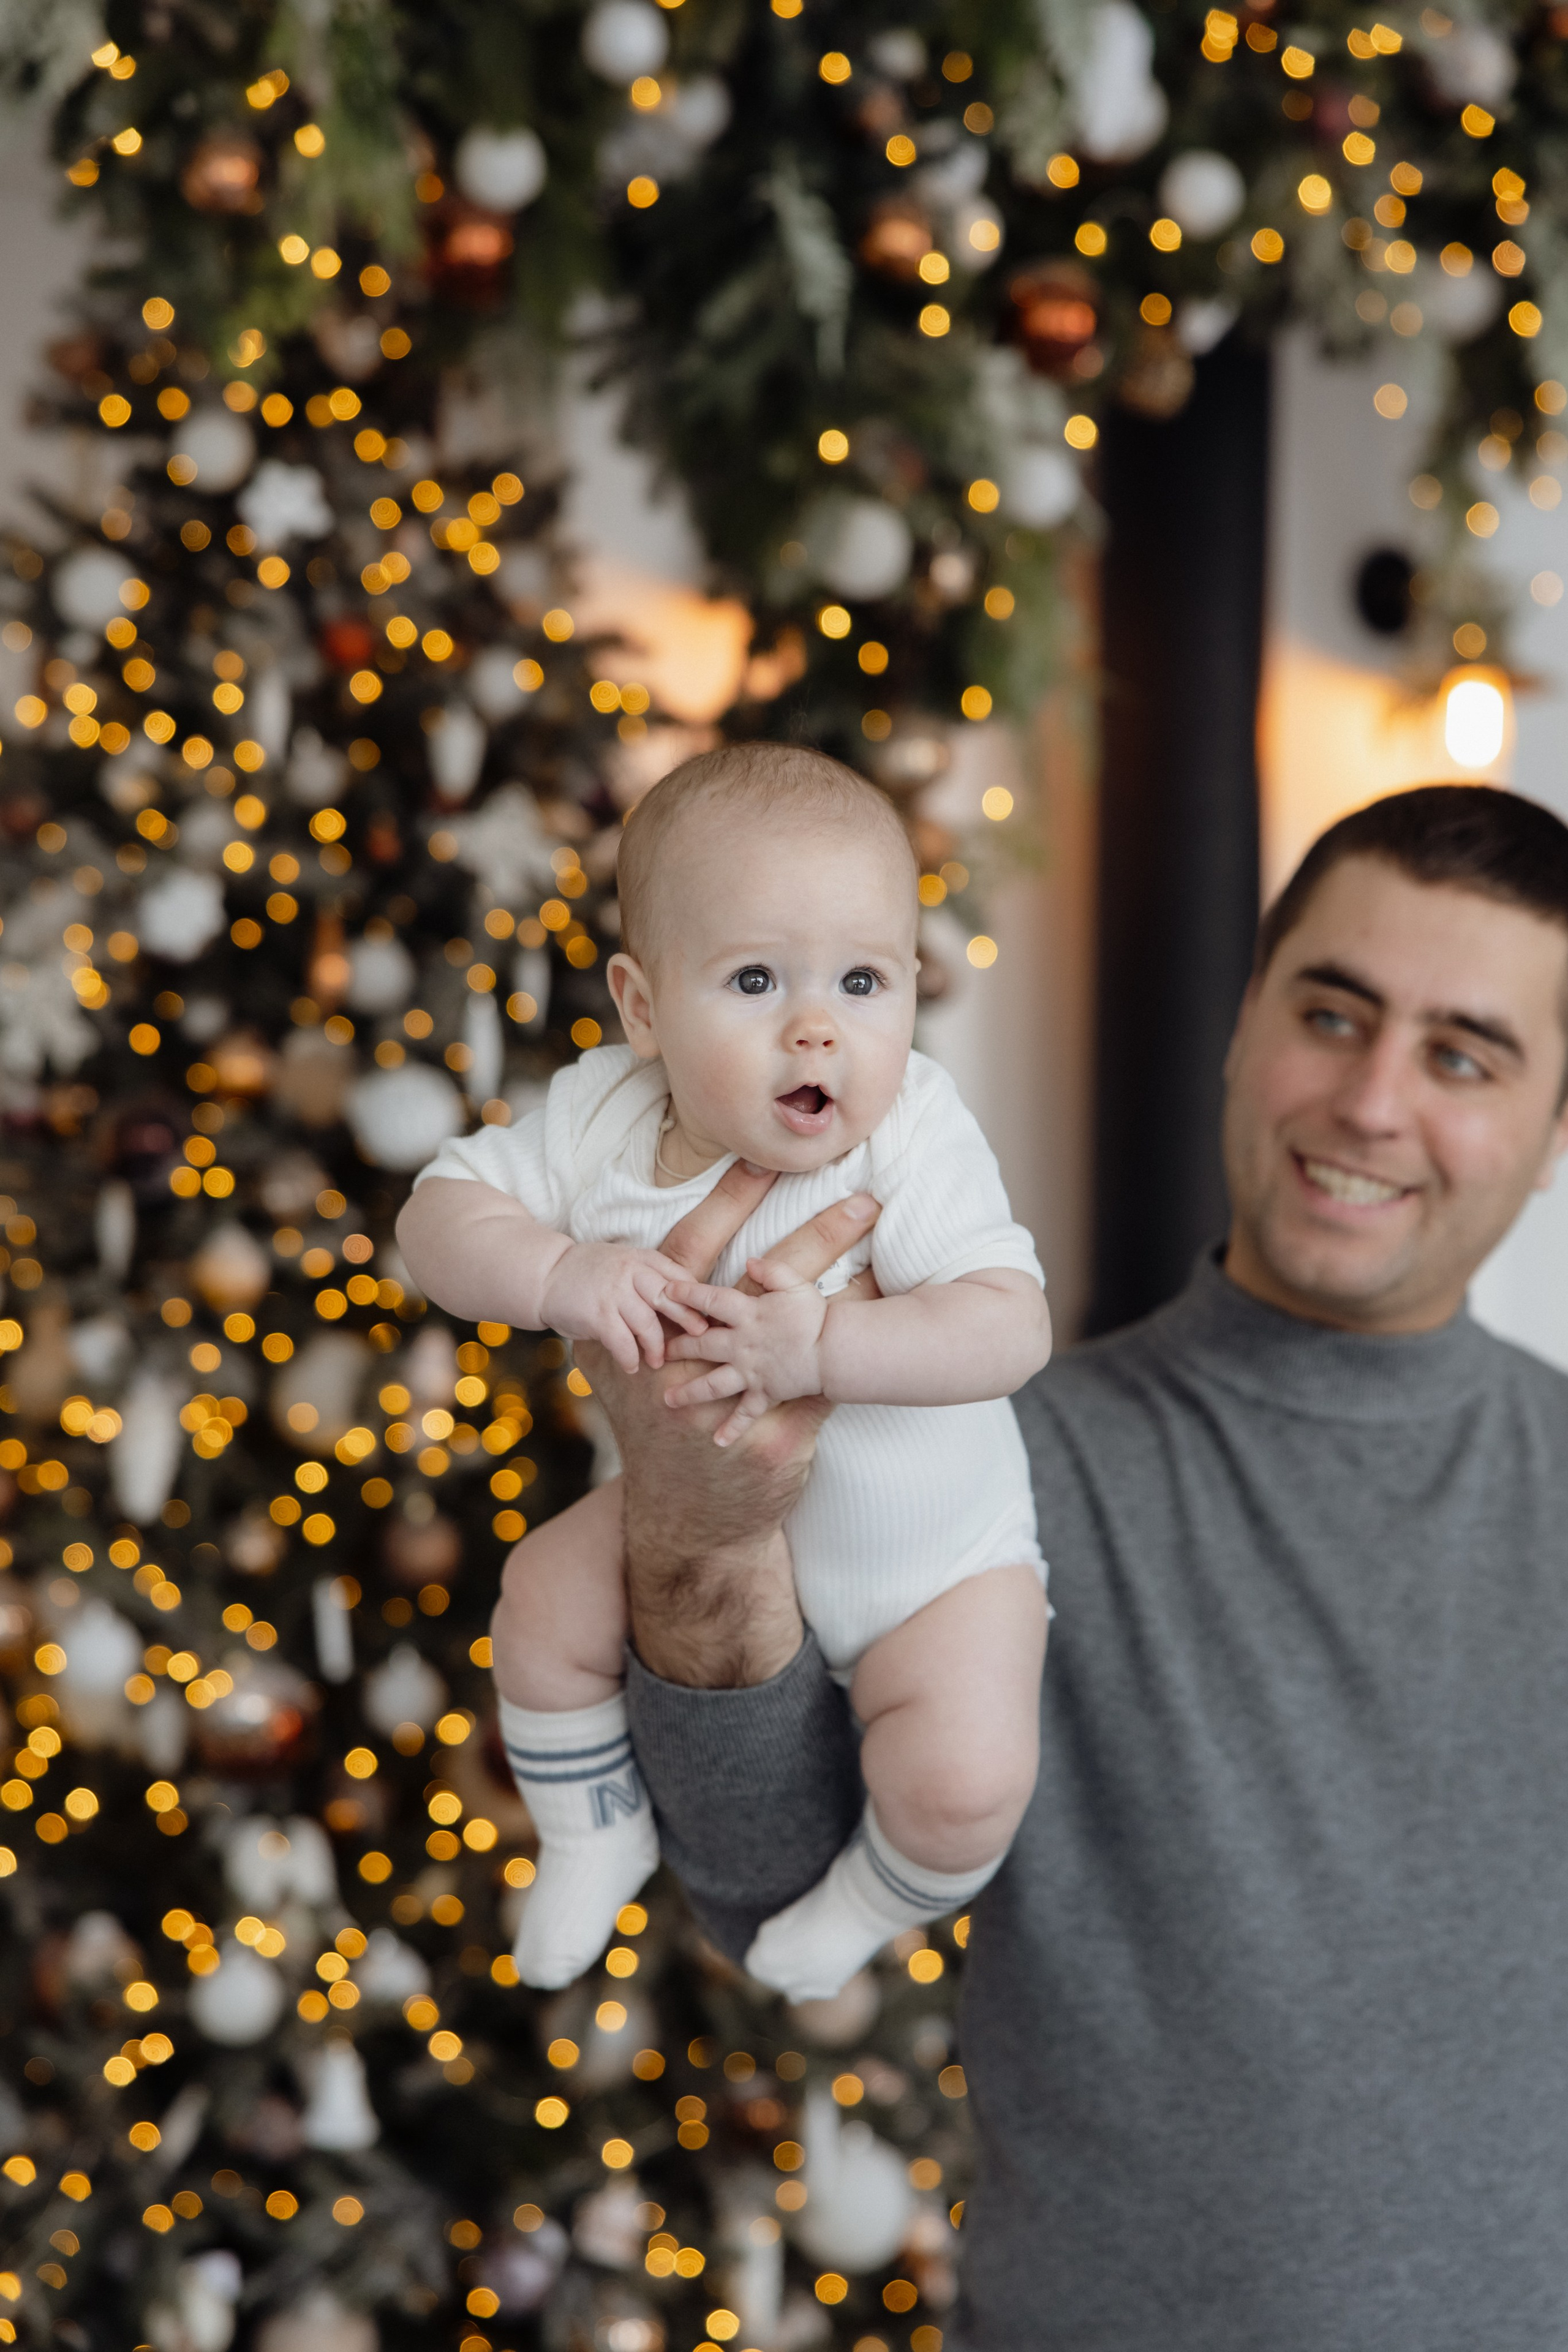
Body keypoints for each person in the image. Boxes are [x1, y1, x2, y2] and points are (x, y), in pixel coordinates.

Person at [587, 784, 1568, 2350]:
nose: (1372, 1101)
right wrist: (698, 1527)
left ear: (1547, 1130)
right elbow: (766, 1882)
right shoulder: (986, 1451)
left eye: (1461, 1055)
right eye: (1332, 1013)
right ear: (1244, 1027)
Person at [396, 745, 1050, 1996]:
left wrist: (825, 1345)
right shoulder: (598, 1117)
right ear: (643, 1008)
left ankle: (866, 1901)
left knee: (964, 1784)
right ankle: (592, 1832)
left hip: (938, 1567)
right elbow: (434, 1218)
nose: (817, 1026)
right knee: (539, 1599)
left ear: (911, 993)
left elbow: (1007, 1325)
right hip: (679, 1517)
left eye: (861, 981)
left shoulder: (908, 1131)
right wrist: (557, 1276)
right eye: (754, 978)